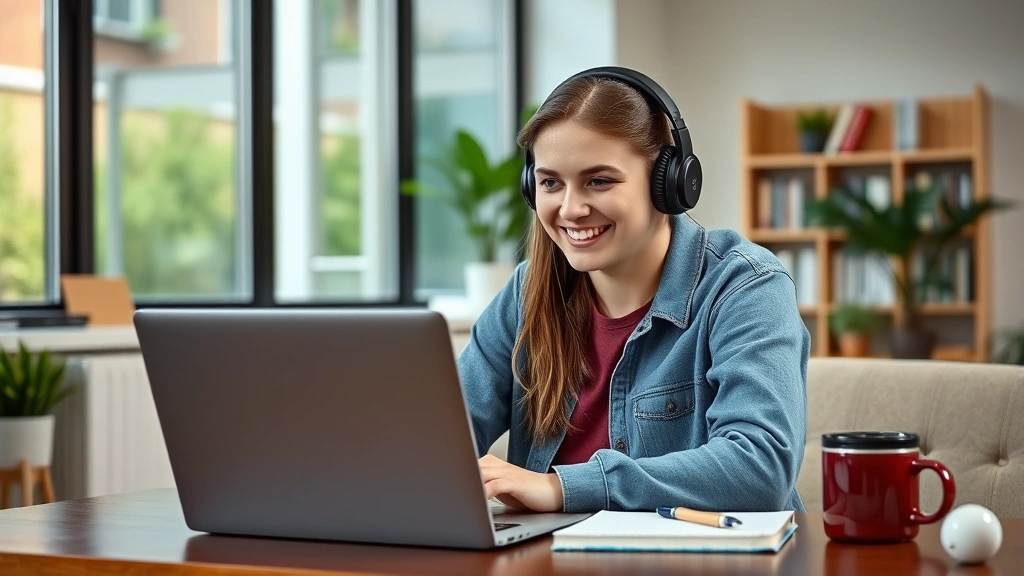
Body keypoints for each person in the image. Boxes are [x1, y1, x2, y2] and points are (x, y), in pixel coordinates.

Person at [458, 66, 810, 515]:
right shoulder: (528, 292)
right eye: (550, 182)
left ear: (668, 184)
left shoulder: (745, 287)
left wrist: (562, 488)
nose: (571, 208)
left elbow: (760, 469)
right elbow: (443, 437)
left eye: (599, 180)